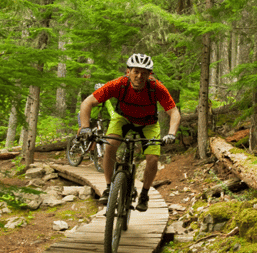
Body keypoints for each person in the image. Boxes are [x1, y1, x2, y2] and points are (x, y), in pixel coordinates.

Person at [78, 53, 181, 212]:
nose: (140, 76)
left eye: (144, 73)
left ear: (149, 74)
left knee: (152, 159)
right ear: (128, 72)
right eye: (136, 72)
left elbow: (174, 112)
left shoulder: (156, 87)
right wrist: (84, 127)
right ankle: (108, 187)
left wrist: (171, 134)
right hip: (123, 119)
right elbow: (87, 102)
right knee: (110, 145)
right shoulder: (118, 84)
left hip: (148, 123)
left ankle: (145, 193)